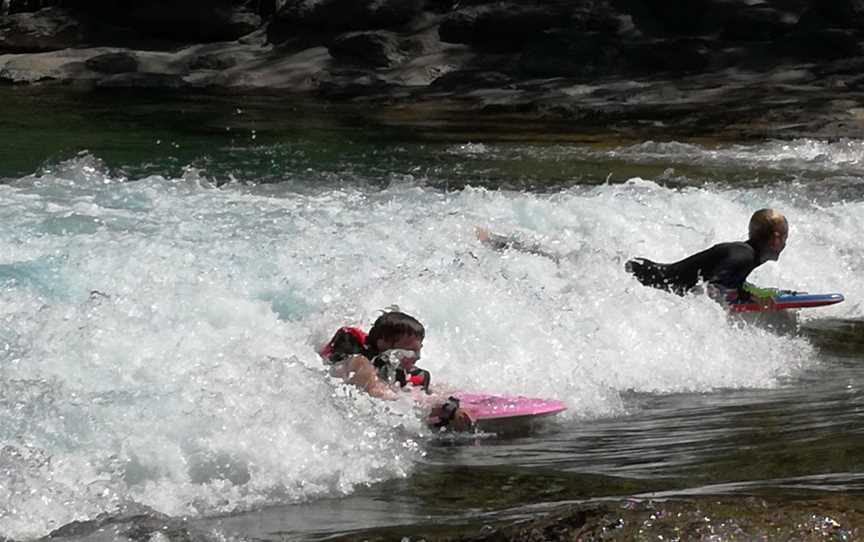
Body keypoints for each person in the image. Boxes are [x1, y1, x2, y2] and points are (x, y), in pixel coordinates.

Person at [322, 310, 473, 431]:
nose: (418, 357)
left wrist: (448, 399)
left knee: (425, 382)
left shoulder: (403, 371)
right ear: (383, 343)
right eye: (410, 351)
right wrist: (443, 409)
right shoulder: (357, 359)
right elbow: (379, 393)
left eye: (419, 350)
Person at [625, 209, 789, 304]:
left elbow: (730, 283)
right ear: (775, 239)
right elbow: (710, 288)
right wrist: (753, 300)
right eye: (784, 238)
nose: (785, 244)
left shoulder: (746, 255)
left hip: (644, 275)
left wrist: (757, 294)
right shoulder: (744, 256)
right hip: (641, 276)